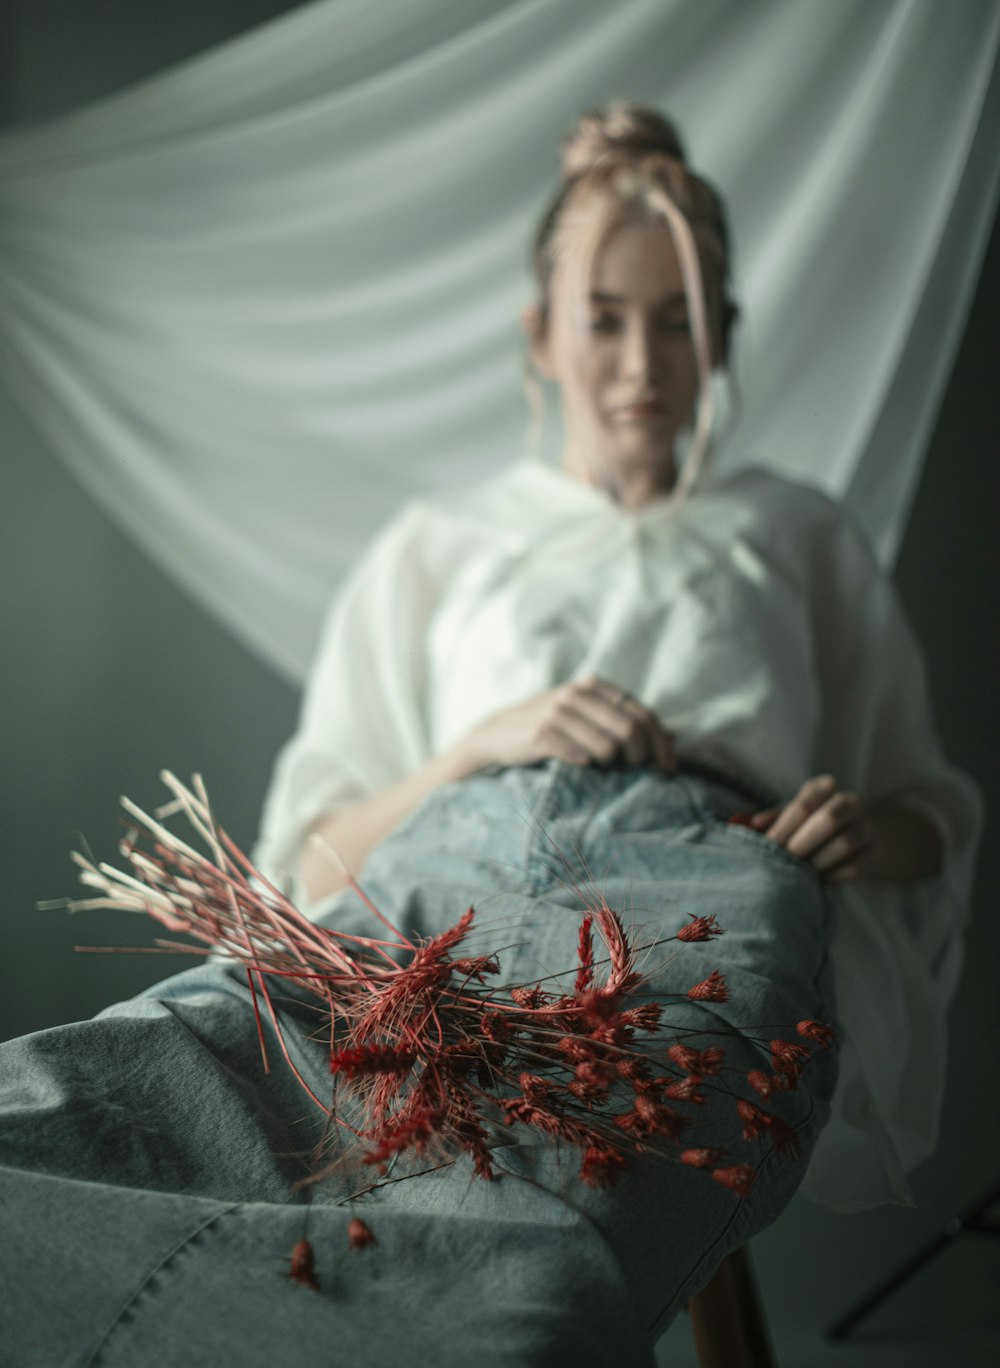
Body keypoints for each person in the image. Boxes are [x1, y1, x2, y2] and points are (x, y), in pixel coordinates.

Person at [0, 102, 983, 1367]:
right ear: (539, 337)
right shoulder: (435, 549)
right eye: (605, 319)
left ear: (726, 337)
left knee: (527, 1233)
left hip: (694, 887)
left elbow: (927, 810)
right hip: (426, 892)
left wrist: (852, 822)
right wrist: (475, 749)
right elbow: (310, 849)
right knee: (137, 1079)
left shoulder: (794, 536)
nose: (640, 363)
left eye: (679, 320)